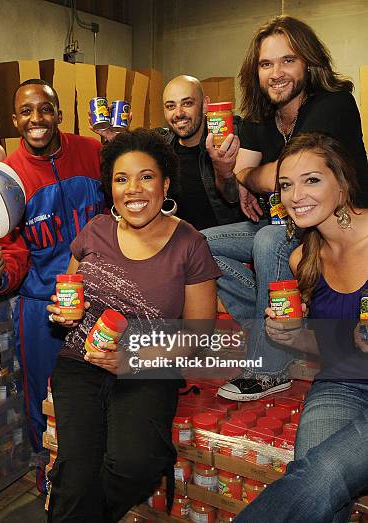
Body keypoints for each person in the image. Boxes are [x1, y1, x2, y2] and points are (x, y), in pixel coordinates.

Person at [45, 129, 219, 521]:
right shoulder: (94, 231)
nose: (133, 189)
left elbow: (201, 336)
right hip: (81, 363)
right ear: (110, 188)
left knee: (134, 465)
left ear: (166, 183)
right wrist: (61, 311)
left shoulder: (190, 244)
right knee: (75, 473)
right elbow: (69, 294)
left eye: (146, 176)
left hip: (149, 368)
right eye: (121, 179)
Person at [204, 15, 368, 401]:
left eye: (288, 60)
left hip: (336, 228)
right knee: (195, 243)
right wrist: (225, 169)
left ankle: (268, 367)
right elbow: (232, 188)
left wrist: (250, 175)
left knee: (268, 239)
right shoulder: (261, 117)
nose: (276, 73)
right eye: (266, 64)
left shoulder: (334, 103)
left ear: (309, 64)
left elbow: (285, 174)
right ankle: (280, 323)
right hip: (292, 226)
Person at [234, 132, 368, 523]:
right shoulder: (301, 258)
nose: (296, 196)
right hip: (341, 385)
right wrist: (296, 338)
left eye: (312, 180)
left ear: (341, 184)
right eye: (286, 185)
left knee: (325, 474)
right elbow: (338, 348)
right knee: (316, 486)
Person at [0, 79, 104, 478]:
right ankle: (49, 477)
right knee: (46, 399)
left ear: (59, 115)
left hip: (102, 300)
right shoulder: (5, 179)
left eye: (45, 109)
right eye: (26, 111)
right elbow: (12, 252)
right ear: (14, 120)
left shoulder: (93, 152)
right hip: (42, 307)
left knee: (104, 393)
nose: (36, 118)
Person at [159, 75, 244, 230]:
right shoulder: (161, 147)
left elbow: (234, 197)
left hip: (222, 244)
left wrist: (223, 170)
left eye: (187, 103)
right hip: (179, 244)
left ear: (205, 105)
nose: (178, 113)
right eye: (171, 106)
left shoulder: (231, 138)